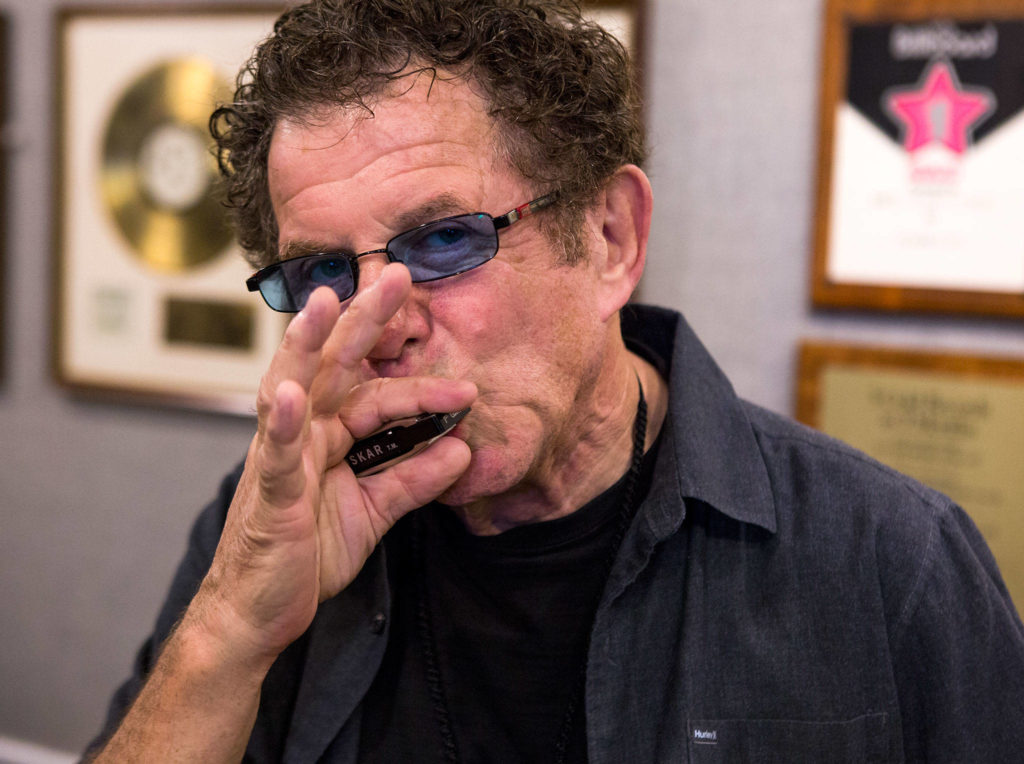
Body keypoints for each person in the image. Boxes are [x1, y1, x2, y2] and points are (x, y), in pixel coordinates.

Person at [87, 0, 1024, 761]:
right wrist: (230, 629)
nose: (382, 324)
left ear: (613, 238)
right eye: (326, 274)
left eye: (446, 239)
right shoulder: (276, 524)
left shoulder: (891, 561)